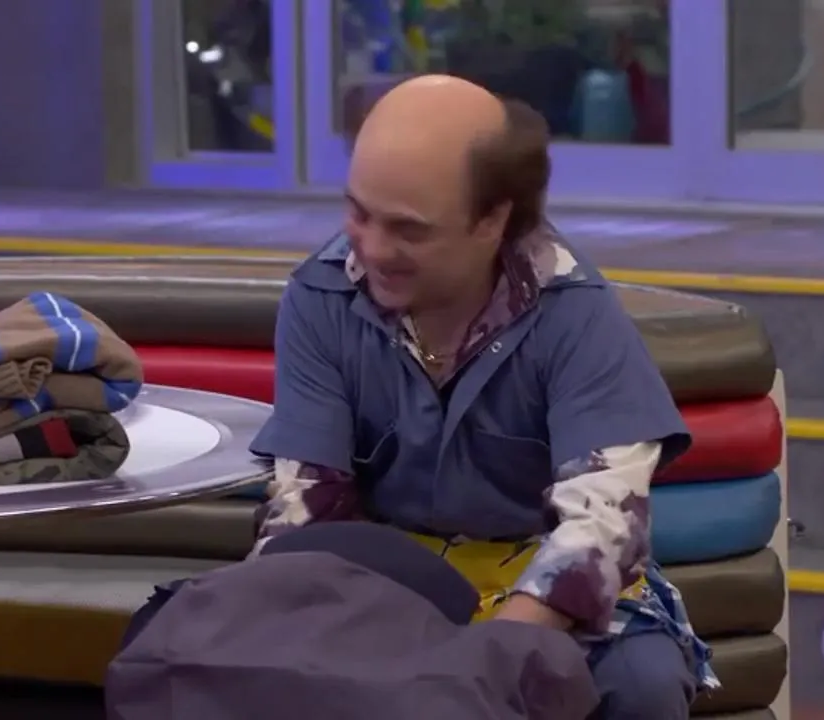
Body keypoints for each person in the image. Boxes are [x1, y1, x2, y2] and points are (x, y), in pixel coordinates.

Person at [248, 74, 716, 719]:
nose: (372, 249)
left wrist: (485, 659)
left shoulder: (575, 311)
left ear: (492, 220)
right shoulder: (319, 296)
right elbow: (306, 508)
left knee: (641, 686)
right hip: (382, 577)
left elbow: (605, 520)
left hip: (542, 581)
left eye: (409, 229)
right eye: (358, 212)